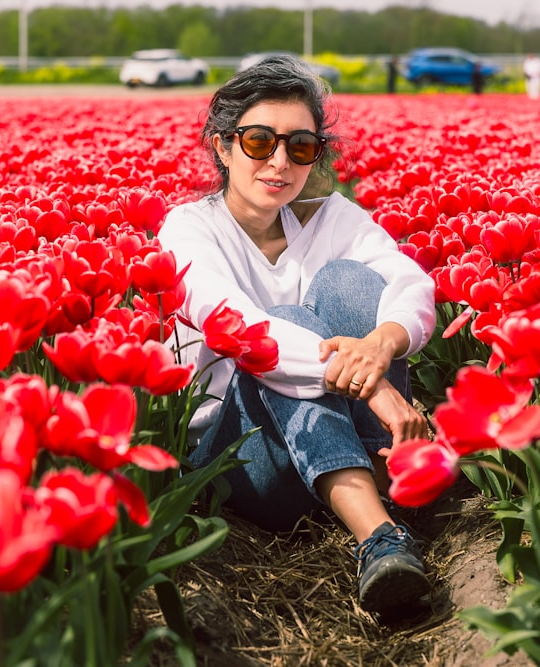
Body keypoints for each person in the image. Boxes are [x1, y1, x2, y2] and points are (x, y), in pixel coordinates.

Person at [157, 55, 437, 619]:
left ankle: (379, 481)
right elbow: (236, 327)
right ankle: (380, 535)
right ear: (222, 146)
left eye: (301, 146)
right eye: (260, 142)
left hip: (357, 436)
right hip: (246, 459)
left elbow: (412, 284)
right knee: (282, 323)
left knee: (353, 281)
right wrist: (376, 389)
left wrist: (383, 342)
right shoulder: (188, 230)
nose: (280, 162)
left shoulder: (333, 217)